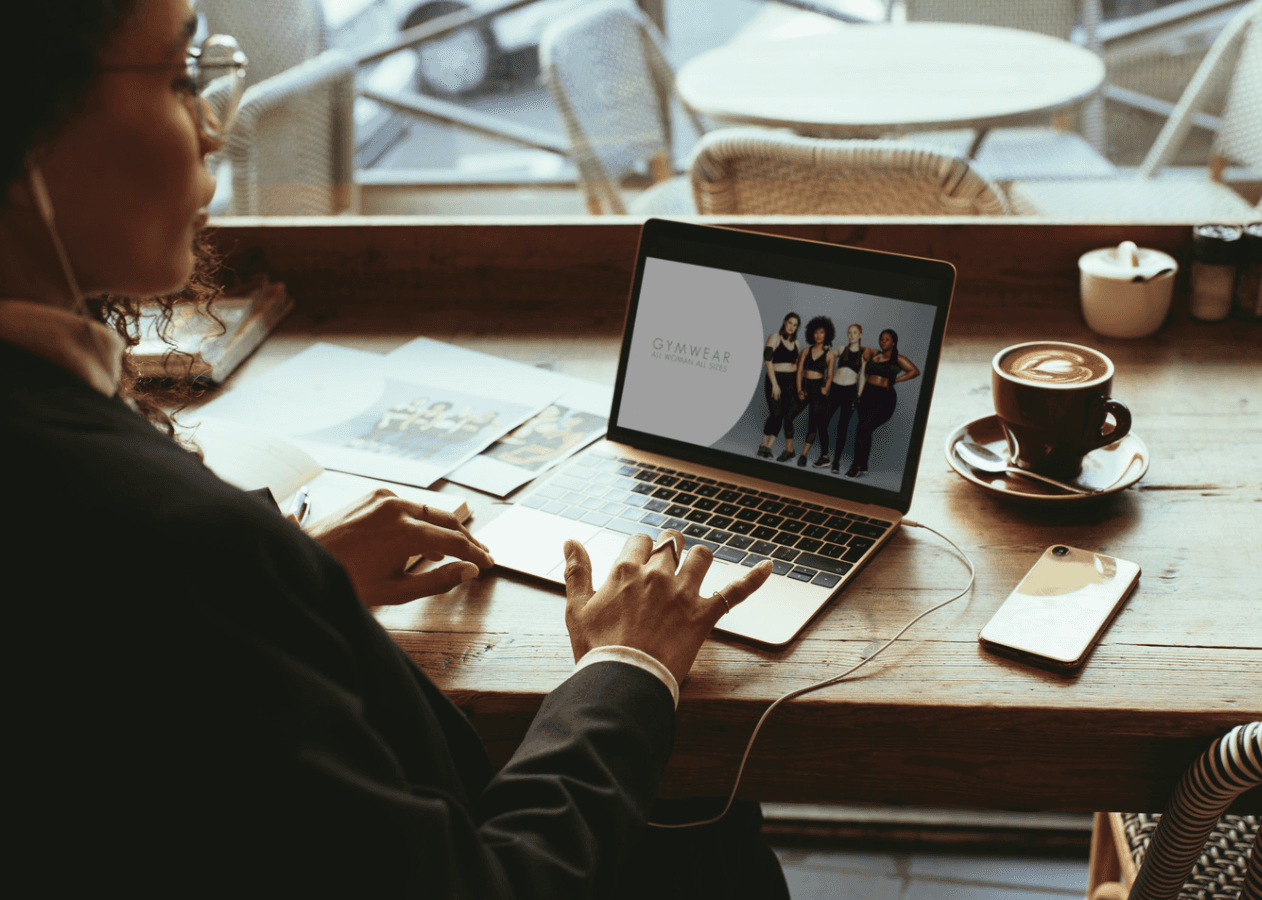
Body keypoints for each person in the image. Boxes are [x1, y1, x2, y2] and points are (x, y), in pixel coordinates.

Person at [1, 3, 780, 896]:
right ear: (23, 126)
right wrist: (626, 668)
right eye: (180, 77)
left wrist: (293, 587)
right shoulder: (182, 544)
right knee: (716, 837)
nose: (216, 129)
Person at [846, 329, 921, 479]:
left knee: (863, 428)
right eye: (881, 339)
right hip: (867, 395)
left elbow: (914, 371)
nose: (883, 342)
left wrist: (896, 380)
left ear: (893, 342)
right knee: (864, 430)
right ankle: (863, 466)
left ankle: (856, 465)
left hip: (883, 398)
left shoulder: (898, 358)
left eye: (887, 339)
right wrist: (866, 350)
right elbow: (860, 348)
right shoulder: (875, 354)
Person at [818, 322, 866, 473]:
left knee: (842, 428)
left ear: (860, 335)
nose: (851, 335)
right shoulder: (842, 349)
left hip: (850, 392)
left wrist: (859, 395)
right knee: (822, 421)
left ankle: (836, 463)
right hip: (835, 390)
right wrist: (827, 349)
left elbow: (863, 376)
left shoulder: (863, 354)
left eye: (854, 333)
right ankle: (825, 456)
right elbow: (831, 354)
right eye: (849, 332)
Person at [757, 311, 801, 461]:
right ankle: (763, 444)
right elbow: (768, 361)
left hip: (790, 382)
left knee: (781, 415)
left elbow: (797, 365)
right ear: (784, 322)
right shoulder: (774, 337)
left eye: (795, 325)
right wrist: (775, 384)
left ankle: (768, 447)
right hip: (775, 379)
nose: (792, 327)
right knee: (775, 413)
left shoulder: (797, 344)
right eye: (790, 323)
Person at [793, 315, 834, 468]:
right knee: (789, 415)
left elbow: (830, 376)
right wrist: (799, 390)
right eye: (816, 332)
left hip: (818, 390)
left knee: (812, 424)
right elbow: (799, 372)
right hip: (804, 387)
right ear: (811, 333)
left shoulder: (830, 354)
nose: (818, 336)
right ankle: (789, 449)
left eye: (822, 332)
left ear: (827, 334)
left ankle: (803, 455)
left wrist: (825, 388)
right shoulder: (805, 350)